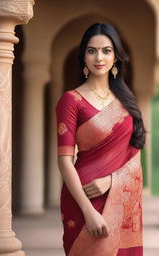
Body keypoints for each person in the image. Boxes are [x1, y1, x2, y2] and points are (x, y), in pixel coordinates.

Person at [56, 23, 147, 256]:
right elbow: (65, 161)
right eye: (91, 50)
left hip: (119, 198)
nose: (99, 57)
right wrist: (88, 211)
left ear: (115, 56)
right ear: (83, 57)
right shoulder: (71, 100)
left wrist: (111, 181)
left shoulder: (126, 101)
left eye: (106, 50)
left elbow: (134, 157)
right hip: (83, 198)